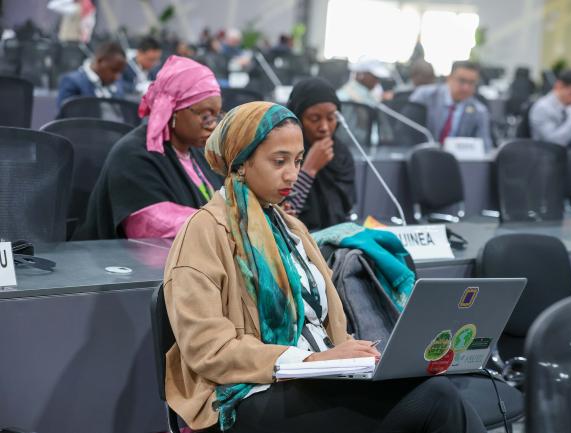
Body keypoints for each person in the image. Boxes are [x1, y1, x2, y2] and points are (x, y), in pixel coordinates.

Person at [163, 100, 487, 433]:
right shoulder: (204, 231)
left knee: (430, 391)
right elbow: (208, 349)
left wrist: (355, 358)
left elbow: (326, 327)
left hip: (315, 380)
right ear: (241, 162)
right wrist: (308, 360)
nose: (293, 173)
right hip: (245, 393)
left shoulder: (292, 228)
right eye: (279, 161)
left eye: (299, 161)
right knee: (436, 401)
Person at [73, 56, 223, 240]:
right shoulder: (133, 155)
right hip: (125, 263)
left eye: (216, 116)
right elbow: (151, 226)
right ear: (173, 109)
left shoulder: (199, 154)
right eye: (205, 116)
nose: (213, 125)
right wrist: (225, 225)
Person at [284, 77, 356, 231]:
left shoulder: (341, 154)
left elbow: (347, 210)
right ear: (297, 119)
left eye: (331, 118)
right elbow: (285, 214)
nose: (324, 127)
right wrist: (309, 169)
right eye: (314, 119)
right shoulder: (282, 153)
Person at [410, 60, 492, 150]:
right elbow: (407, 132)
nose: (466, 88)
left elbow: (485, 147)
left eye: (471, 83)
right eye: (462, 81)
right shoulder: (425, 96)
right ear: (449, 78)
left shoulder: (479, 111)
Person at [56, 40, 126, 107]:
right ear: (100, 61)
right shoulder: (72, 82)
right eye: (113, 70)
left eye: (120, 72)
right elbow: (67, 115)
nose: (117, 77)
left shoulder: (117, 86)